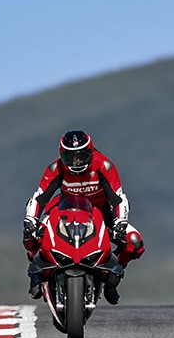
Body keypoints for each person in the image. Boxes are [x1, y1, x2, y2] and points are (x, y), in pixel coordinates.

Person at [23, 129, 143, 302]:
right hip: (63, 211)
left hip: (100, 212)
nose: (76, 162)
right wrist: (30, 220)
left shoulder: (104, 166)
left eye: (81, 156)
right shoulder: (56, 168)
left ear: (91, 151)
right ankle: (37, 274)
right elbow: (39, 197)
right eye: (70, 157)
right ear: (61, 155)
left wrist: (120, 223)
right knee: (30, 237)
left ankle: (112, 278)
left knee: (134, 242)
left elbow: (118, 198)